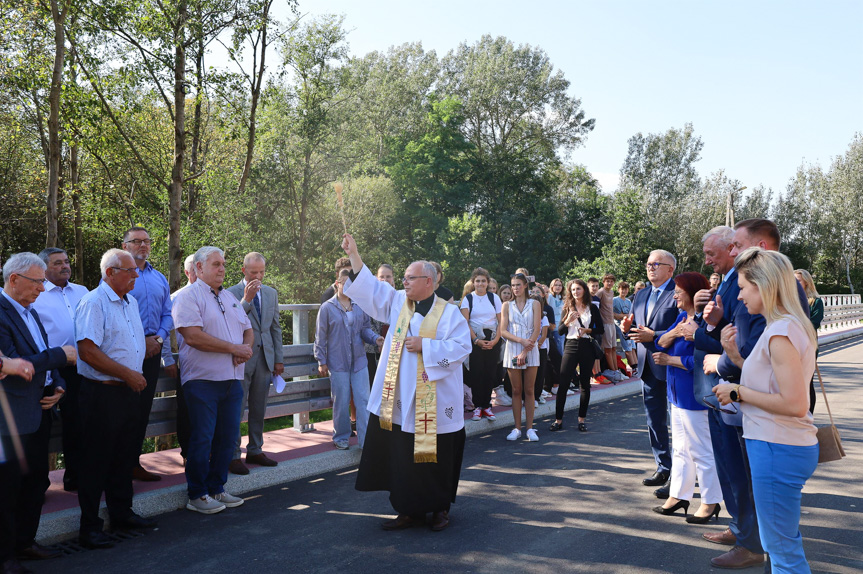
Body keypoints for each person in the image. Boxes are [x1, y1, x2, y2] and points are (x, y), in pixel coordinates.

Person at [341, 233, 471, 532]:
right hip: (400, 398)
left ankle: (439, 509)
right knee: (402, 456)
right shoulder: (398, 302)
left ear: (429, 281)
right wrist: (355, 255)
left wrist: (426, 345)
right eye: (403, 277)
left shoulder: (450, 313)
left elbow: (462, 347)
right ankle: (408, 509)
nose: (404, 282)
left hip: (434, 401)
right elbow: (371, 289)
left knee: (434, 456)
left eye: (411, 278)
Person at [714, 248, 819, 574]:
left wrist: (737, 391)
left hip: (776, 446)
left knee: (782, 551)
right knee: (783, 542)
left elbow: (794, 403)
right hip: (781, 445)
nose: (740, 295)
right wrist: (736, 356)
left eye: (744, 286)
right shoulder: (787, 325)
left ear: (764, 285)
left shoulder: (780, 332)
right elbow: (772, 381)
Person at [74, 249, 157, 549]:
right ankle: (90, 527)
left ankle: (122, 514)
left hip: (127, 392)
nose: (136, 275)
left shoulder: (130, 301)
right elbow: (88, 352)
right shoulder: (94, 302)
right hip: (103, 393)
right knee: (97, 460)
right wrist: (128, 373)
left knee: (124, 456)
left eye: (136, 270)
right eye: (130, 270)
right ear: (110, 272)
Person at [0, 253, 74, 567]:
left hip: (38, 410)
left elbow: (39, 355)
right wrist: (61, 356)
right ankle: (5, 557)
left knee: (35, 482)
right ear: (13, 279)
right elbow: (17, 361)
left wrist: (58, 384)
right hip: (9, 419)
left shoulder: (30, 311)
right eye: (37, 281)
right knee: (7, 489)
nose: (42, 289)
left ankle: (25, 542)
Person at [173, 246, 253, 515]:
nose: (222, 269)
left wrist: (246, 348)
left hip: (232, 380)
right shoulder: (187, 297)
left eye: (223, 264)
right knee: (203, 438)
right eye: (216, 264)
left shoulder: (230, 297)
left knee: (227, 437)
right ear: (198, 268)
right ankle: (197, 494)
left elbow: (247, 329)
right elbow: (193, 336)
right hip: (202, 381)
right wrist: (234, 349)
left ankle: (217, 487)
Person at [651, 272, 722, 523]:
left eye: (679, 291)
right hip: (677, 396)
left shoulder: (705, 323)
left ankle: (710, 501)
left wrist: (671, 360)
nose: (675, 295)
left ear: (692, 293)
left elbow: (704, 361)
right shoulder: (683, 317)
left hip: (695, 397)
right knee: (680, 449)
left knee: (702, 451)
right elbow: (659, 342)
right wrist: (676, 333)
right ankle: (679, 495)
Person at [32, 248, 89, 493]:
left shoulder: (83, 292)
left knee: (79, 423)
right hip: (48, 369)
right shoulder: (37, 294)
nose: (65, 266)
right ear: (44, 269)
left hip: (82, 368)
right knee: (39, 429)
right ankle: (37, 485)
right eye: (57, 263)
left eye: (66, 261)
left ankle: (76, 477)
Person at [622, 250, 679, 490]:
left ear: (670, 269)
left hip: (672, 365)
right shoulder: (641, 294)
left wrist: (654, 335)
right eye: (648, 264)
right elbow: (636, 327)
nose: (651, 267)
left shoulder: (678, 292)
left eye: (656, 264)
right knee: (654, 421)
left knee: (678, 424)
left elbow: (684, 327)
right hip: (647, 366)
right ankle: (663, 467)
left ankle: (680, 473)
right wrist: (627, 328)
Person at [122, 226, 174, 482]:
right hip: (126, 353)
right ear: (125, 246)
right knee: (124, 411)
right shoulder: (115, 276)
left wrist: (160, 339)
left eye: (146, 241)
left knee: (142, 410)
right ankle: (118, 466)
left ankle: (133, 464)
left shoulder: (159, 278)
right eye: (136, 241)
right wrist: (141, 343)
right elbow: (115, 314)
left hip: (154, 350)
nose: (143, 245)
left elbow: (168, 313)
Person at [226, 252, 285, 474]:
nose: (258, 276)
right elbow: (232, 322)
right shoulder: (230, 293)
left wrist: (278, 359)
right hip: (240, 359)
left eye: (261, 272)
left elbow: (275, 327)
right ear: (243, 270)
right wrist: (247, 298)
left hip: (265, 359)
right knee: (236, 408)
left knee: (259, 407)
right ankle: (233, 455)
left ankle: (255, 449)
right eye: (253, 272)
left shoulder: (271, 293)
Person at [315, 269, 381, 449]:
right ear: (337, 284)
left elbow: (365, 330)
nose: (348, 286)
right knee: (341, 402)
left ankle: (366, 441)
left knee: (363, 401)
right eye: (345, 283)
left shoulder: (360, 305)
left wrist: (376, 339)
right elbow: (320, 337)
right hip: (338, 362)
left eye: (352, 284)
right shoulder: (327, 308)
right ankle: (341, 438)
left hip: (359, 362)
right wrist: (321, 361)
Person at [549, 279, 603, 433]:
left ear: (584, 290)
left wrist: (588, 331)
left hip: (586, 346)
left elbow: (601, 329)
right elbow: (559, 331)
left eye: (578, 289)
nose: (575, 292)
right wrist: (567, 321)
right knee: (563, 382)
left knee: (585, 384)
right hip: (571, 345)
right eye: (573, 290)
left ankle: (581, 420)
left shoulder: (592, 307)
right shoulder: (567, 307)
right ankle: (558, 420)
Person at [500, 272, 541, 442]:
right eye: (513, 285)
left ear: (525, 285)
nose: (515, 288)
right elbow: (503, 331)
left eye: (518, 285)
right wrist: (520, 341)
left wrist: (525, 349)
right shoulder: (506, 306)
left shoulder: (535, 304)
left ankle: (530, 428)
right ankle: (517, 428)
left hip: (531, 348)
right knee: (516, 390)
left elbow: (537, 329)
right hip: (513, 348)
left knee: (529, 390)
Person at [460, 268, 502, 422]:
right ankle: (478, 407)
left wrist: (496, 340)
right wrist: (476, 340)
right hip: (475, 339)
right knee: (477, 374)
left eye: (483, 281)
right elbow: (465, 322)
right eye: (477, 280)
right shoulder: (468, 299)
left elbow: (501, 320)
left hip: (492, 338)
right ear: (473, 282)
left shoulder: (494, 298)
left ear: (488, 282)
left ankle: (487, 406)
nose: (480, 283)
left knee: (490, 373)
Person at [171, 254, 197, 464]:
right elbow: (163, 330)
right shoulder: (177, 297)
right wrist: (166, 359)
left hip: (214, 364)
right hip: (187, 363)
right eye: (195, 269)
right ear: (188, 272)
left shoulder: (217, 295)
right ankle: (188, 453)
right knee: (187, 411)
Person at [597, 274, 623, 383]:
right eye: (607, 281)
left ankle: (616, 370)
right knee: (607, 349)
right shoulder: (600, 292)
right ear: (603, 282)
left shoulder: (611, 292)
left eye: (611, 281)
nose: (609, 283)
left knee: (613, 348)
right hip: (604, 323)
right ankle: (613, 371)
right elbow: (595, 306)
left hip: (612, 322)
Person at [613, 281, 638, 373]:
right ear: (619, 290)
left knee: (632, 346)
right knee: (626, 346)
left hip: (629, 325)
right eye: (622, 289)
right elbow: (612, 314)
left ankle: (636, 365)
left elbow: (631, 314)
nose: (624, 291)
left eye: (626, 289)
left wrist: (625, 315)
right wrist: (621, 316)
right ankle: (633, 366)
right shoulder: (615, 300)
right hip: (619, 326)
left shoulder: (628, 301)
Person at [547, 278, 565, 355]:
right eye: (556, 285)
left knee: (560, 347)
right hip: (551, 324)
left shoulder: (563, 297)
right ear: (552, 286)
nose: (558, 287)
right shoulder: (550, 296)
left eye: (560, 285)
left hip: (560, 325)